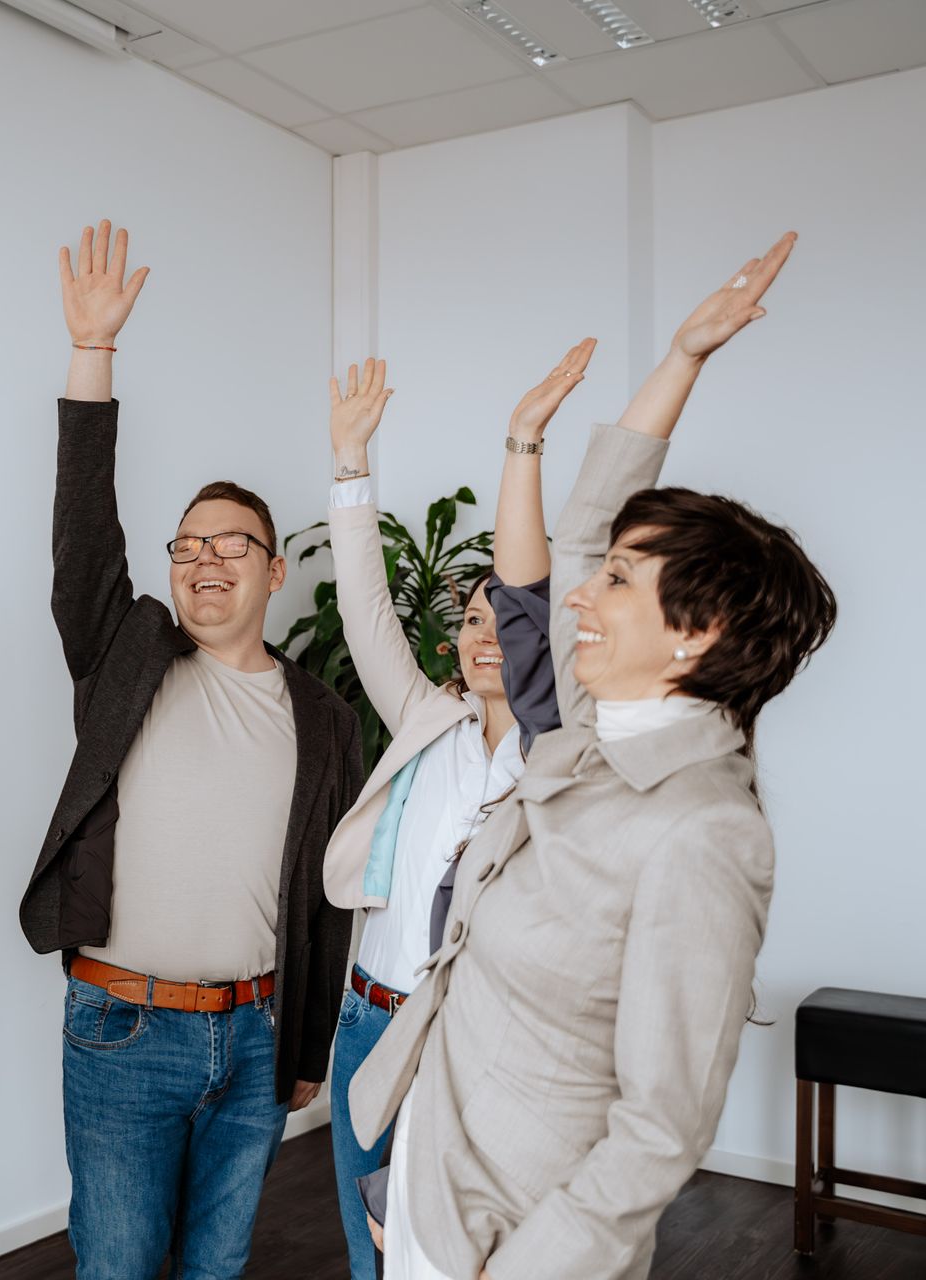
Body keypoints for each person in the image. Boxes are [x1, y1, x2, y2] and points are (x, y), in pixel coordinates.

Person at [349, 232, 837, 1280]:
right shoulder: (581, 741)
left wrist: (509, 1264)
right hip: (433, 1188)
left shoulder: (704, 829)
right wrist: (683, 360)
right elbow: (571, 543)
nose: (581, 593)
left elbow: (661, 1126)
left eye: (620, 581)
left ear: (696, 632)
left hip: (513, 1246)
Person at [19, 220, 361, 1280]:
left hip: (254, 1036)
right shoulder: (128, 656)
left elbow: (324, 895)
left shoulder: (323, 715)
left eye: (233, 546)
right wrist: (93, 355)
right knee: (117, 1265)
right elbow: (83, 535)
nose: (206, 561)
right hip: (124, 1025)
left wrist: (305, 1048)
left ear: (275, 575)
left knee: (217, 1268)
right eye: (187, 545)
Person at [318, 341, 593, 1277]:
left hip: (467, 1036)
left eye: (500, 621)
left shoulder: (554, 757)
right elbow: (363, 612)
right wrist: (351, 466)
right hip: (366, 1022)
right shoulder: (423, 720)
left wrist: (525, 445)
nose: (486, 635)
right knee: (370, 1250)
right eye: (471, 619)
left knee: (449, 1254)